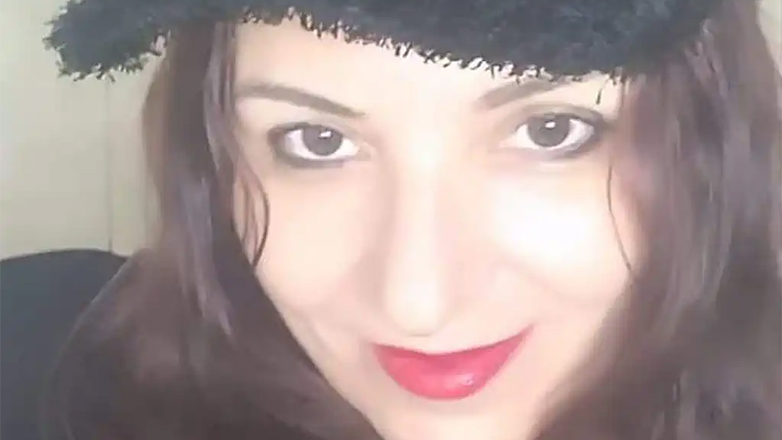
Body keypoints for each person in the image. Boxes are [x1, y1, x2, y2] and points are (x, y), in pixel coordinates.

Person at [35, 0, 780, 439]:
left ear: (706, 144)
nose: (416, 303)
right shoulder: (91, 379)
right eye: (317, 141)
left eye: (550, 131)